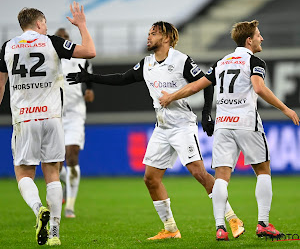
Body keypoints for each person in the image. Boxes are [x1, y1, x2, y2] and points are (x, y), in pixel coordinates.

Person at [67, 21, 244, 240]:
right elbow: (122, 78)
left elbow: (206, 83)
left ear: (167, 38)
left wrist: (206, 114)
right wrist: (91, 78)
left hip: (182, 126)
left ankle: (232, 218)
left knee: (199, 173)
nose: (148, 37)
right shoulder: (147, 63)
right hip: (162, 128)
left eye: (154, 33)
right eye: (149, 33)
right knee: (150, 179)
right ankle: (170, 229)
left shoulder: (181, 60)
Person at [158, 20, 300, 241]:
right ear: (249, 40)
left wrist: (170, 96)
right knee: (263, 170)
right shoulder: (254, 61)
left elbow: (195, 86)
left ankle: (220, 227)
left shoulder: (222, 62)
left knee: (222, 177)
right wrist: (285, 109)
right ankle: (263, 223)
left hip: (223, 124)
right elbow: (259, 87)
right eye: (258, 35)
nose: (261, 38)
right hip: (246, 122)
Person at [0, 2, 96, 246]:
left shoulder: (7, 47)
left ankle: (37, 209)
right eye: (45, 24)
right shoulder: (51, 42)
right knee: (52, 172)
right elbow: (89, 52)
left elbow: (0, 86)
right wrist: (82, 25)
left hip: (24, 118)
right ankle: (54, 233)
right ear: (40, 23)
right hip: (52, 118)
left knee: (24, 173)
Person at [55, 27, 95, 218]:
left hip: (75, 114)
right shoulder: (49, 59)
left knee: (72, 157)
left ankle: (70, 205)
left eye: (66, 38)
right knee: (56, 164)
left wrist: (89, 90)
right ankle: (65, 186)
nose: (63, 40)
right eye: (60, 38)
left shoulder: (80, 57)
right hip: (54, 114)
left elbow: (88, 79)